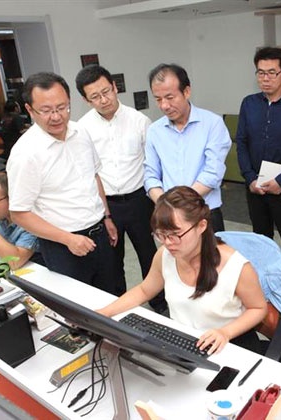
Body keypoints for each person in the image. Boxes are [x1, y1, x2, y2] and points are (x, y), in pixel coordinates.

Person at [97, 186, 268, 354]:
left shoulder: (236, 266)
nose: (168, 243)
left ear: (201, 226)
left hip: (229, 345)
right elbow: (144, 291)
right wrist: (105, 313)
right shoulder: (165, 255)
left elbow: (258, 309)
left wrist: (225, 332)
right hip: (184, 343)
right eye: (161, 235)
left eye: (175, 235)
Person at [6, 72, 122, 295]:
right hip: (62, 245)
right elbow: (19, 213)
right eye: (46, 110)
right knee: (78, 305)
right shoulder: (25, 154)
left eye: (62, 107)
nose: (56, 116)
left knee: (111, 295)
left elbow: (94, 176)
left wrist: (106, 216)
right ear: (30, 110)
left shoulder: (81, 132)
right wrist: (68, 239)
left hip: (99, 233)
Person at [75, 65, 165, 313]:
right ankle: (121, 308)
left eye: (106, 92)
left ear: (115, 87)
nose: (103, 100)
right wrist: (105, 214)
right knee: (112, 262)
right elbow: (87, 173)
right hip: (106, 205)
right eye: (95, 96)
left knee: (149, 255)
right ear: (86, 100)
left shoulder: (140, 121)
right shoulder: (82, 128)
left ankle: (160, 303)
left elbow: (153, 164)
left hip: (139, 201)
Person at [236, 47, 281, 317]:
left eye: (271, 73)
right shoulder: (249, 104)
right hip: (255, 188)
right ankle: (265, 289)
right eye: (260, 73)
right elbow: (241, 142)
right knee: (261, 241)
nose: (265, 79)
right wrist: (249, 178)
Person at [144, 64, 231, 233]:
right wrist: (166, 205)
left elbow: (213, 172)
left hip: (205, 212)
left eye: (170, 97)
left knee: (212, 251)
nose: (164, 105)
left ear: (186, 91)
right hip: (170, 215)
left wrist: (179, 205)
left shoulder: (212, 124)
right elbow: (150, 175)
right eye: (158, 99)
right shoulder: (154, 131)